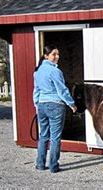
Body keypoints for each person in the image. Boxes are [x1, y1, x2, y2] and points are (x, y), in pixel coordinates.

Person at [33, 45, 77, 173]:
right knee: (55, 137)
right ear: (46, 56)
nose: (57, 57)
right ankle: (53, 166)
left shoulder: (37, 72)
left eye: (57, 54)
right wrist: (72, 104)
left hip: (42, 105)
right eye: (54, 54)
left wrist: (37, 104)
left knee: (43, 136)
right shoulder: (55, 71)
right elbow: (62, 90)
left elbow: (36, 90)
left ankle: (40, 164)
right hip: (55, 105)